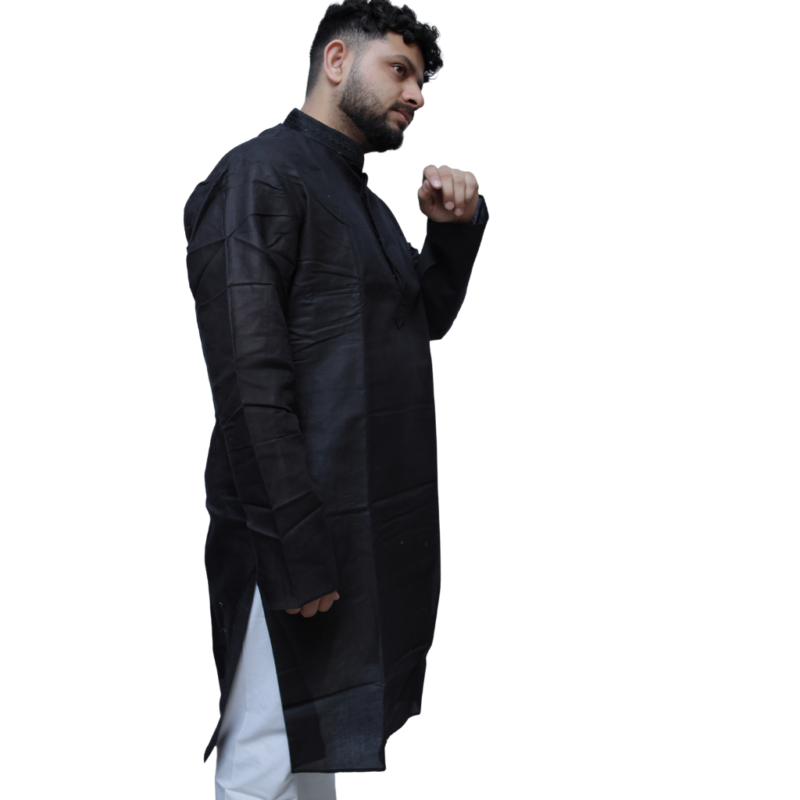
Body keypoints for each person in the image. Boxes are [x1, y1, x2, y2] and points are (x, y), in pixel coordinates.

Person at [183, 1, 489, 797]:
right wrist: (294, 545)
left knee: (312, 747)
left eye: (421, 81)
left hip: (358, 531)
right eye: (400, 70)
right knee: (266, 753)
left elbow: (418, 320)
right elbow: (249, 384)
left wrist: (454, 229)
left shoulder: (361, 199)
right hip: (292, 531)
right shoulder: (258, 177)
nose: (416, 94)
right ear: (336, 61)